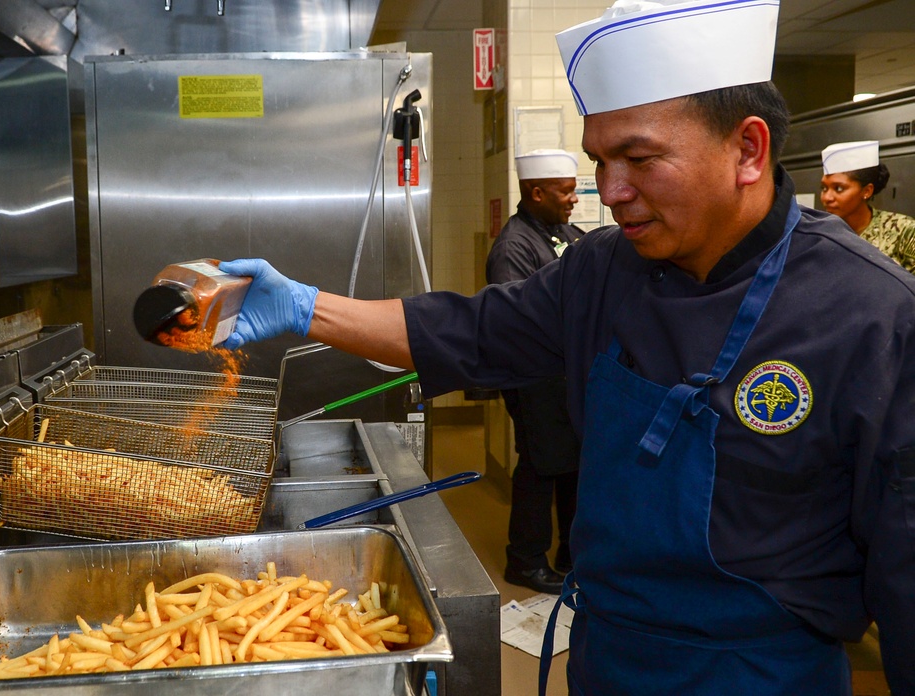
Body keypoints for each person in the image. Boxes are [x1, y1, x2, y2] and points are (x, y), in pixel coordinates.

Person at [214, 0, 915, 693]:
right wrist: (306, 308)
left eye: (639, 159)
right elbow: (464, 332)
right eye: (600, 161)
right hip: (608, 656)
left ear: (748, 150)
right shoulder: (604, 268)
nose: (610, 192)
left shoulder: (870, 311)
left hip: (759, 673)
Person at [487, 148, 583, 594]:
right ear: (537, 192)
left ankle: (570, 553)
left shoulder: (565, 232)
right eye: (566, 192)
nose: (574, 199)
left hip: (567, 375)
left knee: (571, 464)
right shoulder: (514, 245)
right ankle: (524, 561)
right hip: (534, 377)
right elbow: (517, 317)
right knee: (540, 466)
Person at [820, 140, 915, 271]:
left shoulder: (903, 230)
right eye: (824, 188)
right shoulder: (820, 233)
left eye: (839, 189)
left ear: (867, 191)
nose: (827, 197)